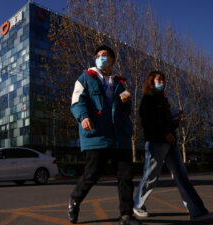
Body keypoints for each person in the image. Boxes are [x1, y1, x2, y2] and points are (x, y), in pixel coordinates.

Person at [68, 45, 141, 225]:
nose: (102, 58)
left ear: (113, 60)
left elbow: (126, 111)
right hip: (97, 136)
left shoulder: (119, 83)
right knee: (91, 175)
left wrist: (125, 102)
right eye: (99, 55)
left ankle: (126, 215)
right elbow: (77, 101)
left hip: (119, 137)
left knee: (125, 177)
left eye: (105, 55)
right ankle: (74, 201)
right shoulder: (85, 78)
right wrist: (83, 116)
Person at [133, 71, 213, 221]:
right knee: (150, 176)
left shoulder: (163, 100)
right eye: (159, 79)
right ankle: (137, 205)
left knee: (181, 176)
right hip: (156, 142)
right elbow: (148, 123)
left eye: (163, 80)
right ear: (151, 81)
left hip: (170, 142)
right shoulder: (148, 99)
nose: (162, 82)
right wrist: (165, 133)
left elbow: (167, 124)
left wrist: (175, 120)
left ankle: (197, 212)